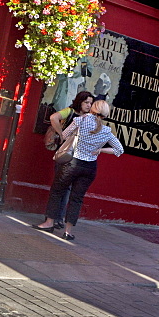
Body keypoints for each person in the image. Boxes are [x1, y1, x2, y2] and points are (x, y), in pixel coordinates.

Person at [35, 99, 124, 240]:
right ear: (106, 113)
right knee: (77, 199)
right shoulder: (107, 131)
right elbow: (119, 149)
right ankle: (67, 232)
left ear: (92, 108)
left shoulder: (80, 120)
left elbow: (64, 136)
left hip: (72, 163)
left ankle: (49, 222)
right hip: (89, 168)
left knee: (57, 191)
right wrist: (100, 149)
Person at [38, 91, 94, 231]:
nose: (89, 105)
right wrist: (61, 135)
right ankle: (54, 218)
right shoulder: (70, 112)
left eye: (90, 103)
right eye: (86, 102)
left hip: (78, 155)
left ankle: (57, 218)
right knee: (60, 186)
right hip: (65, 154)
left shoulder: (89, 118)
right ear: (79, 102)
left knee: (67, 188)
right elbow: (53, 117)